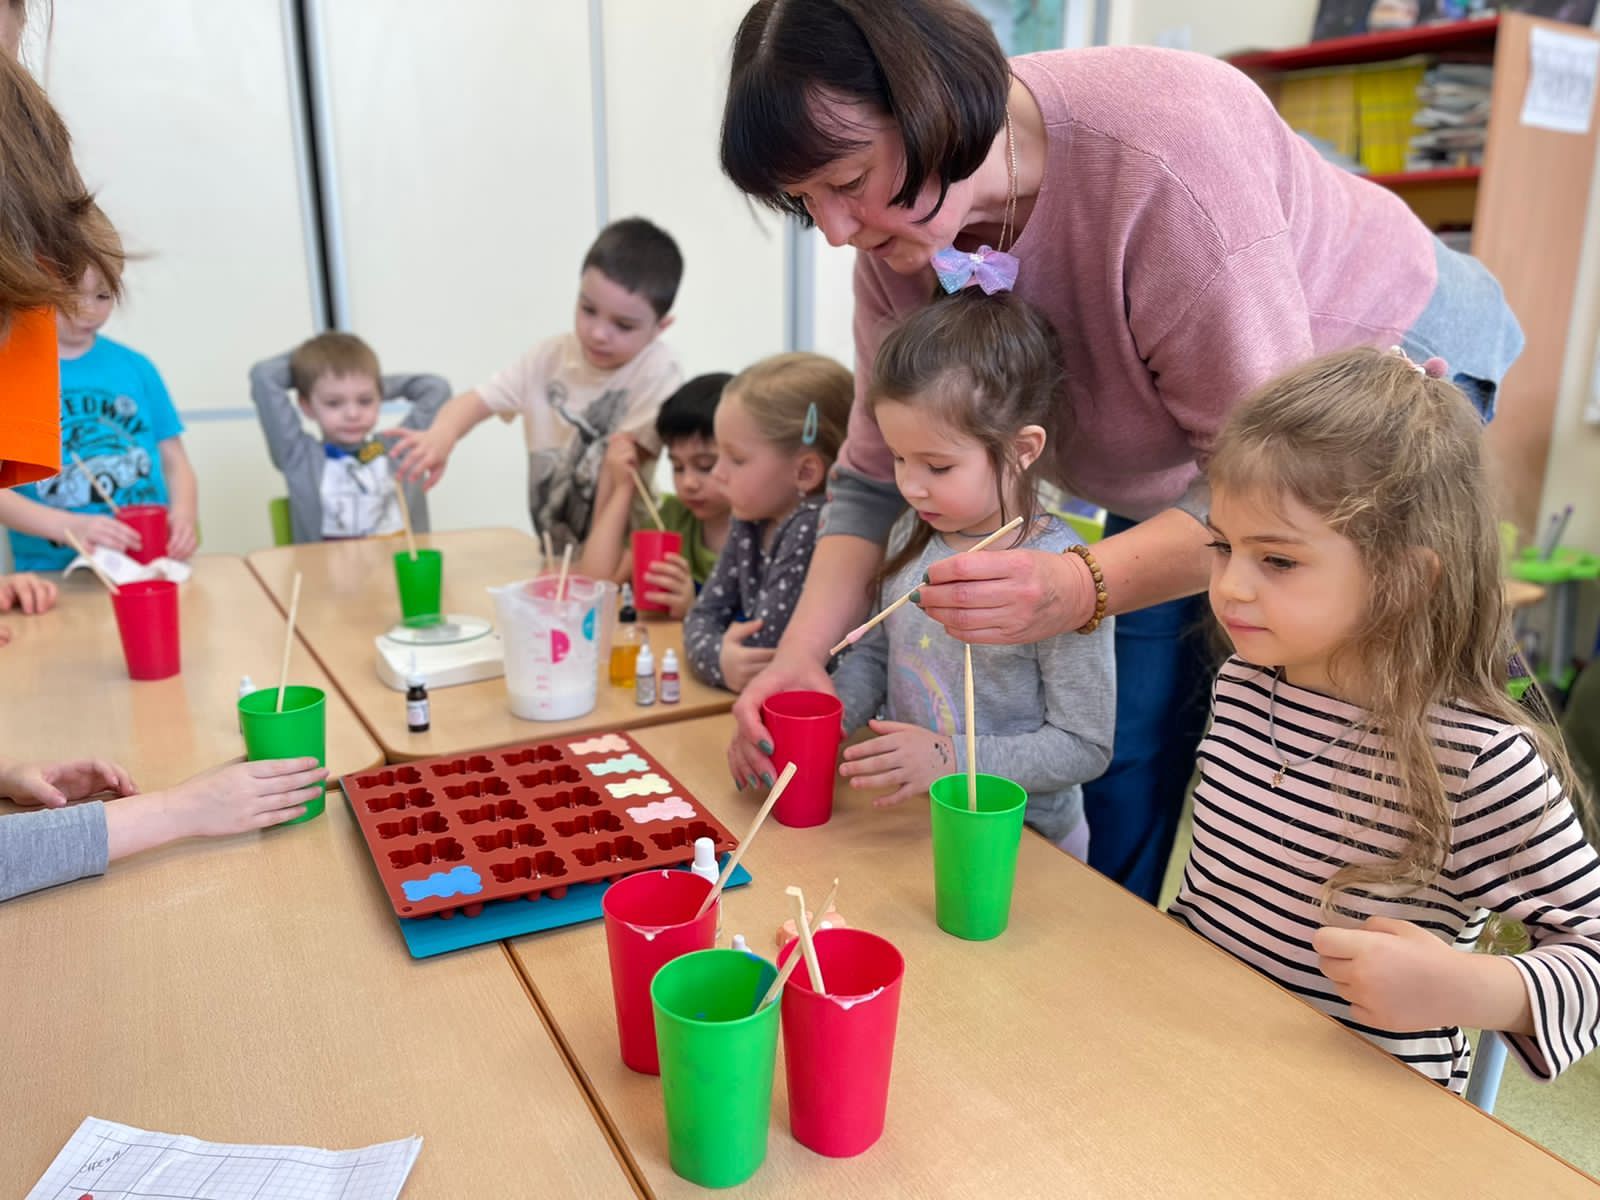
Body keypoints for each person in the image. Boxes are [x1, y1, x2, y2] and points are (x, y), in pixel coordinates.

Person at [715, 0, 1524, 903]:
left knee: (1293, 739)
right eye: (804, 202)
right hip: (1207, 443)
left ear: (933, 104)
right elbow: (866, 480)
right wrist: (801, 658)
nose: (833, 230)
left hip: (1364, 384)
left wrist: (1077, 586)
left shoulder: (1165, 162)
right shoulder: (898, 240)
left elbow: (1268, 484)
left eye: (849, 178)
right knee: (1131, 729)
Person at [1168, 347, 1599, 1093]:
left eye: (1278, 560)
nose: (1230, 586)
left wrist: (1466, 987)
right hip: (1202, 1052)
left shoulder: (1477, 760)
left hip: (1358, 1108)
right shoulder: (1243, 682)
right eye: (1221, 546)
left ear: (1405, 576)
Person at [822, 291, 1113, 854]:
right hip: (916, 826)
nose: (911, 485)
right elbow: (878, 654)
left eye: (937, 465)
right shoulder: (913, 531)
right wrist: (836, 715)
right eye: (898, 458)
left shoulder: (1063, 577)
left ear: (1022, 449)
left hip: (1025, 845)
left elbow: (1084, 746)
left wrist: (948, 759)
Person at [391, 217, 684, 550]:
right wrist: (442, 434)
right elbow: (476, 402)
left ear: (661, 326)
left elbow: (622, 472)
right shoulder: (548, 357)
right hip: (555, 550)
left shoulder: (658, 370)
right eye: (588, 309)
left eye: (623, 325)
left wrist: (593, 570)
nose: (599, 333)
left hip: (624, 558)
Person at [0, 205, 200, 569]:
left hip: (145, 562)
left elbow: (175, 461)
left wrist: (184, 516)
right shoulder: (10, 373)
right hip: (52, 577)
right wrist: (68, 525)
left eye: (104, 296)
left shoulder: (136, 368)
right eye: (71, 295)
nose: (89, 311)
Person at [683, 353, 852, 700]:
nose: (718, 473)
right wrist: (720, 658)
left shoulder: (813, 525)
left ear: (805, 472)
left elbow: (762, 650)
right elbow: (702, 614)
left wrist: (717, 654)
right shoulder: (749, 516)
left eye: (736, 459)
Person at [249, 333, 450, 542]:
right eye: (334, 402)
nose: (352, 414)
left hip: (398, 572)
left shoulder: (401, 448)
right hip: (324, 573)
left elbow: (437, 388)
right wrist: (312, 372)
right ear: (307, 406)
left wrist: (370, 383)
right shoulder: (297, 456)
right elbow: (264, 376)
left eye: (365, 400)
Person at [577, 373, 733, 617]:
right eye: (678, 467)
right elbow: (598, 583)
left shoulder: (763, 533)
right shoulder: (673, 518)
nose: (688, 483)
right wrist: (624, 487)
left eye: (705, 466)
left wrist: (694, 610)